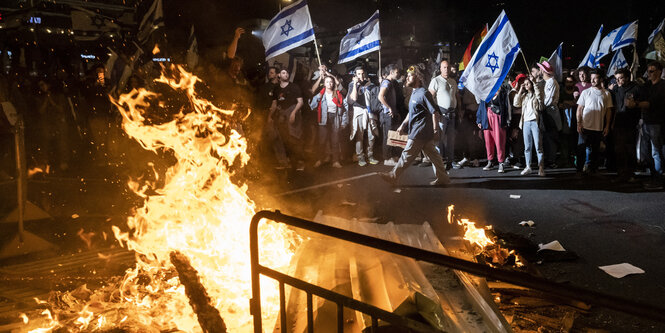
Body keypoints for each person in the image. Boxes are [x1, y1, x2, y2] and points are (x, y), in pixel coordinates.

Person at [379, 66, 449, 186]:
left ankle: (393, 176)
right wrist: (403, 125)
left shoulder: (424, 93)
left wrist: (436, 129)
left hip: (419, 132)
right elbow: (412, 113)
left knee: (407, 155)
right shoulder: (414, 92)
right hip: (422, 133)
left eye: (410, 75)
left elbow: (435, 112)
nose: (407, 78)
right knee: (435, 156)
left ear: (418, 77)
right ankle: (443, 178)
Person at [629, 61, 665, 189]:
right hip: (646, 122)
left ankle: (659, 179)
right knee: (646, 151)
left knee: (656, 151)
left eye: (652, 71)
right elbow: (640, 95)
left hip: (657, 123)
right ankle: (653, 175)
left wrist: (636, 104)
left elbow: (650, 103)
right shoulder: (648, 86)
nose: (648, 74)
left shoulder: (662, 86)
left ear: (659, 72)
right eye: (648, 71)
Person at [576, 69, 613, 175]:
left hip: (598, 127)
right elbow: (580, 109)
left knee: (595, 151)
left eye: (595, 78)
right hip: (585, 126)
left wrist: (607, 126)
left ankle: (593, 170)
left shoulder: (606, 94)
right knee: (581, 149)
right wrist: (579, 123)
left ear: (601, 79)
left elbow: (609, 110)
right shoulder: (585, 92)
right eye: (591, 78)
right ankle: (579, 170)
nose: (592, 80)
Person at [270, 68, 305, 171]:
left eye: (287, 73)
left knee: (295, 138)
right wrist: (270, 117)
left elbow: (300, 102)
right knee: (284, 139)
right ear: (279, 75)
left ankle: (300, 162)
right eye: (283, 73)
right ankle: (287, 162)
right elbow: (274, 103)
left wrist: (294, 113)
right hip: (281, 116)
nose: (286, 75)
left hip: (292, 112)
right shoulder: (276, 89)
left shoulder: (294, 87)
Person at [428, 59, 461, 169]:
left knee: (451, 140)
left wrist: (459, 110)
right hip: (441, 115)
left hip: (452, 114)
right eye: (444, 67)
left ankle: (450, 162)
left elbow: (457, 97)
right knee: (439, 140)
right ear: (440, 69)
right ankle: (439, 163)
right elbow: (429, 98)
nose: (446, 69)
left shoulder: (453, 81)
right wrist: (435, 112)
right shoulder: (436, 81)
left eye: (448, 67)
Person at [310, 73, 347, 168]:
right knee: (322, 141)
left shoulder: (338, 95)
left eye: (331, 82)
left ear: (333, 84)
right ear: (324, 84)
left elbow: (344, 109)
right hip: (324, 119)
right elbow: (312, 105)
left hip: (335, 118)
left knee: (335, 140)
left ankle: (335, 161)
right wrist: (318, 97)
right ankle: (320, 159)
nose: (329, 83)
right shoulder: (321, 95)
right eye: (327, 82)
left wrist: (344, 122)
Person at [610, 68, 641, 182]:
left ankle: (630, 173)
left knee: (630, 149)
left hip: (631, 124)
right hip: (618, 123)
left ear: (627, 78)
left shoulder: (636, 88)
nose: (618, 81)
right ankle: (621, 173)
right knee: (619, 149)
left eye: (621, 78)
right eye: (616, 78)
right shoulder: (615, 89)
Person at [347, 66, 379, 166]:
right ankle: (360, 157)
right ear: (355, 75)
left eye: (363, 73)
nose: (361, 76)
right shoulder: (352, 85)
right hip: (359, 111)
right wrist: (356, 84)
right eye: (359, 74)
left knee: (371, 135)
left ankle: (370, 155)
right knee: (359, 135)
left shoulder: (370, 84)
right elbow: (353, 98)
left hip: (369, 112)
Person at [513, 78, 545, 176]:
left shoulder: (536, 95)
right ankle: (528, 166)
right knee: (527, 147)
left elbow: (540, 101)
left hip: (535, 122)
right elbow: (516, 103)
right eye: (524, 84)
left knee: (538, 146)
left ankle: (541, 167)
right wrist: (520, 90)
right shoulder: (524, 96)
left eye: (527, 83)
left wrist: (534, 83)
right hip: (525, 123)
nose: (526, 85)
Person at [477, 84, 512, 173]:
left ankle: (501, 162)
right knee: (488, 141)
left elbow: (507, 107)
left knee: (499, 141)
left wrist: (507, 120)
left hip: (498, 118)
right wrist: (479, 120)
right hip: (487, 118)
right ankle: (490, 161)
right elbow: (481, 107)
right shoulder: (485, 92)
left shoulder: (503, 93)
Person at [539, 61, 561, 168]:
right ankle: (549, 158)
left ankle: (551, 160)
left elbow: (549, 99)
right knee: (546, 136)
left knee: (551, 136)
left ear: (544, 71)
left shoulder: (551, 82)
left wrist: (540, 105)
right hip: (546, 111)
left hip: (550, 112)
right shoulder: (546, 82)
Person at [378, 64, 401, 166]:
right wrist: (389, 107)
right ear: (391, 72)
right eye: (397, 72)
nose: (398, 74)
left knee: (392, 135)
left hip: (392, 113)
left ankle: (392, 156)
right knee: (388, 136)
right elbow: (380, 96)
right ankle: (387, 158)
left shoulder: (391, 83)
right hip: (387, 114)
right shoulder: (386, 83)